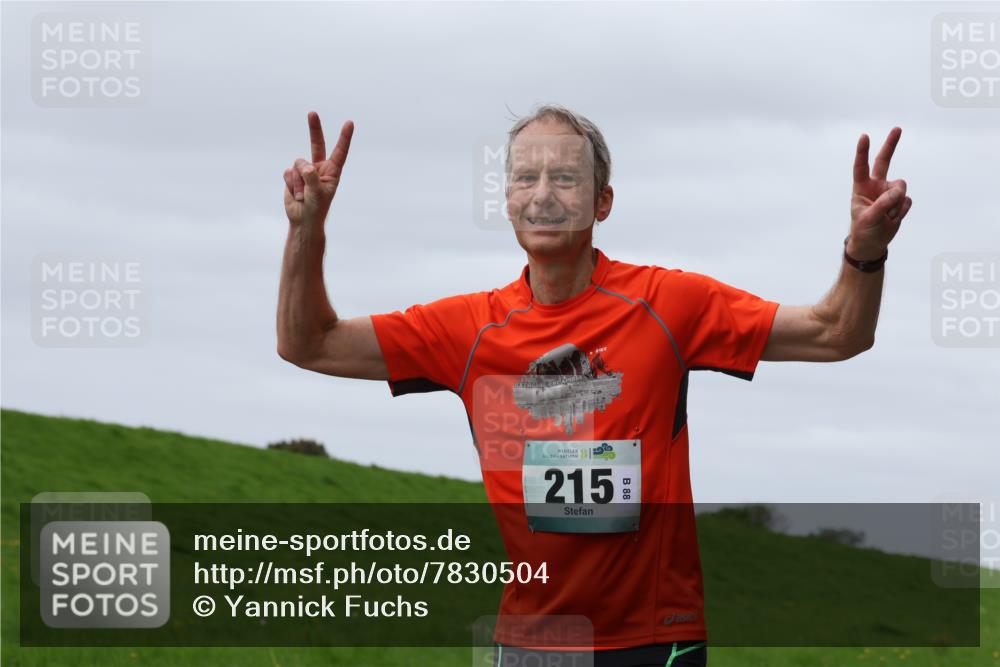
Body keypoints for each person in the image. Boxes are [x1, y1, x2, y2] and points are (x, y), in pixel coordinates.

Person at [276, 105, 912, 667]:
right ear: (507, 200)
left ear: (602, 202)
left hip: (653, 644)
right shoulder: (466, 328)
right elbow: (308, 343)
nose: (543, 195)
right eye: (526, 177)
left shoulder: (670, 303)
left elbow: (836, 334)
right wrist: (307, 230)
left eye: (565, 178)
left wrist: (865, 252)